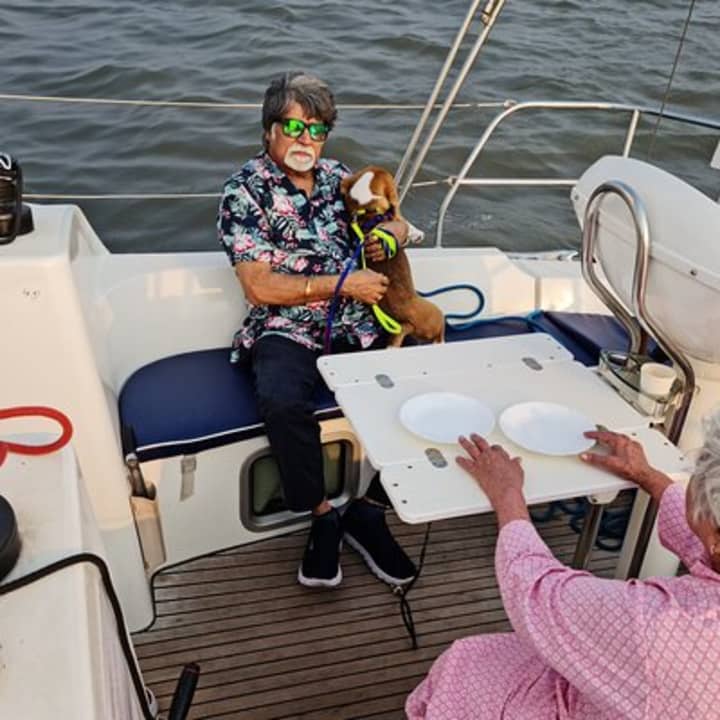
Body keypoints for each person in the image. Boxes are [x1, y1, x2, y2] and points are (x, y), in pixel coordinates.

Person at [217, 71, 416, 589]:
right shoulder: (245, 190)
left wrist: (392, 235)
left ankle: (371, 510)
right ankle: (323, 515)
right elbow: (258, 286)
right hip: (286, 326)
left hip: (362, 321)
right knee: (281, 400)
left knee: (427, 376)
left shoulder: (340, 178)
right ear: (269, 129)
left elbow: (397, 220)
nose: (306, 139)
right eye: (294, 127)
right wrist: (343, 284)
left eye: (318, 129)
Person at [407, 411, 720, 719]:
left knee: (467, 664)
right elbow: (703, 544)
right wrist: (648, 476)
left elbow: (537, 592)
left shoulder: (661, 625)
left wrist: (506, 494)